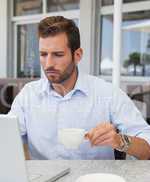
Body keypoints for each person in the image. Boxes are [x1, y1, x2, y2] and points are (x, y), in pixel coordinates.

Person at [9, 16, 150, 160]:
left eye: (58, 55)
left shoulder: (107, 93)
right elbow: (6, 138)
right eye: (43, 54)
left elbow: (147, 147)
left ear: (77, 55)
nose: (48, 64)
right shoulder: (28, 95)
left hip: (95, 180)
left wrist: (119, 141)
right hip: (43, 181)